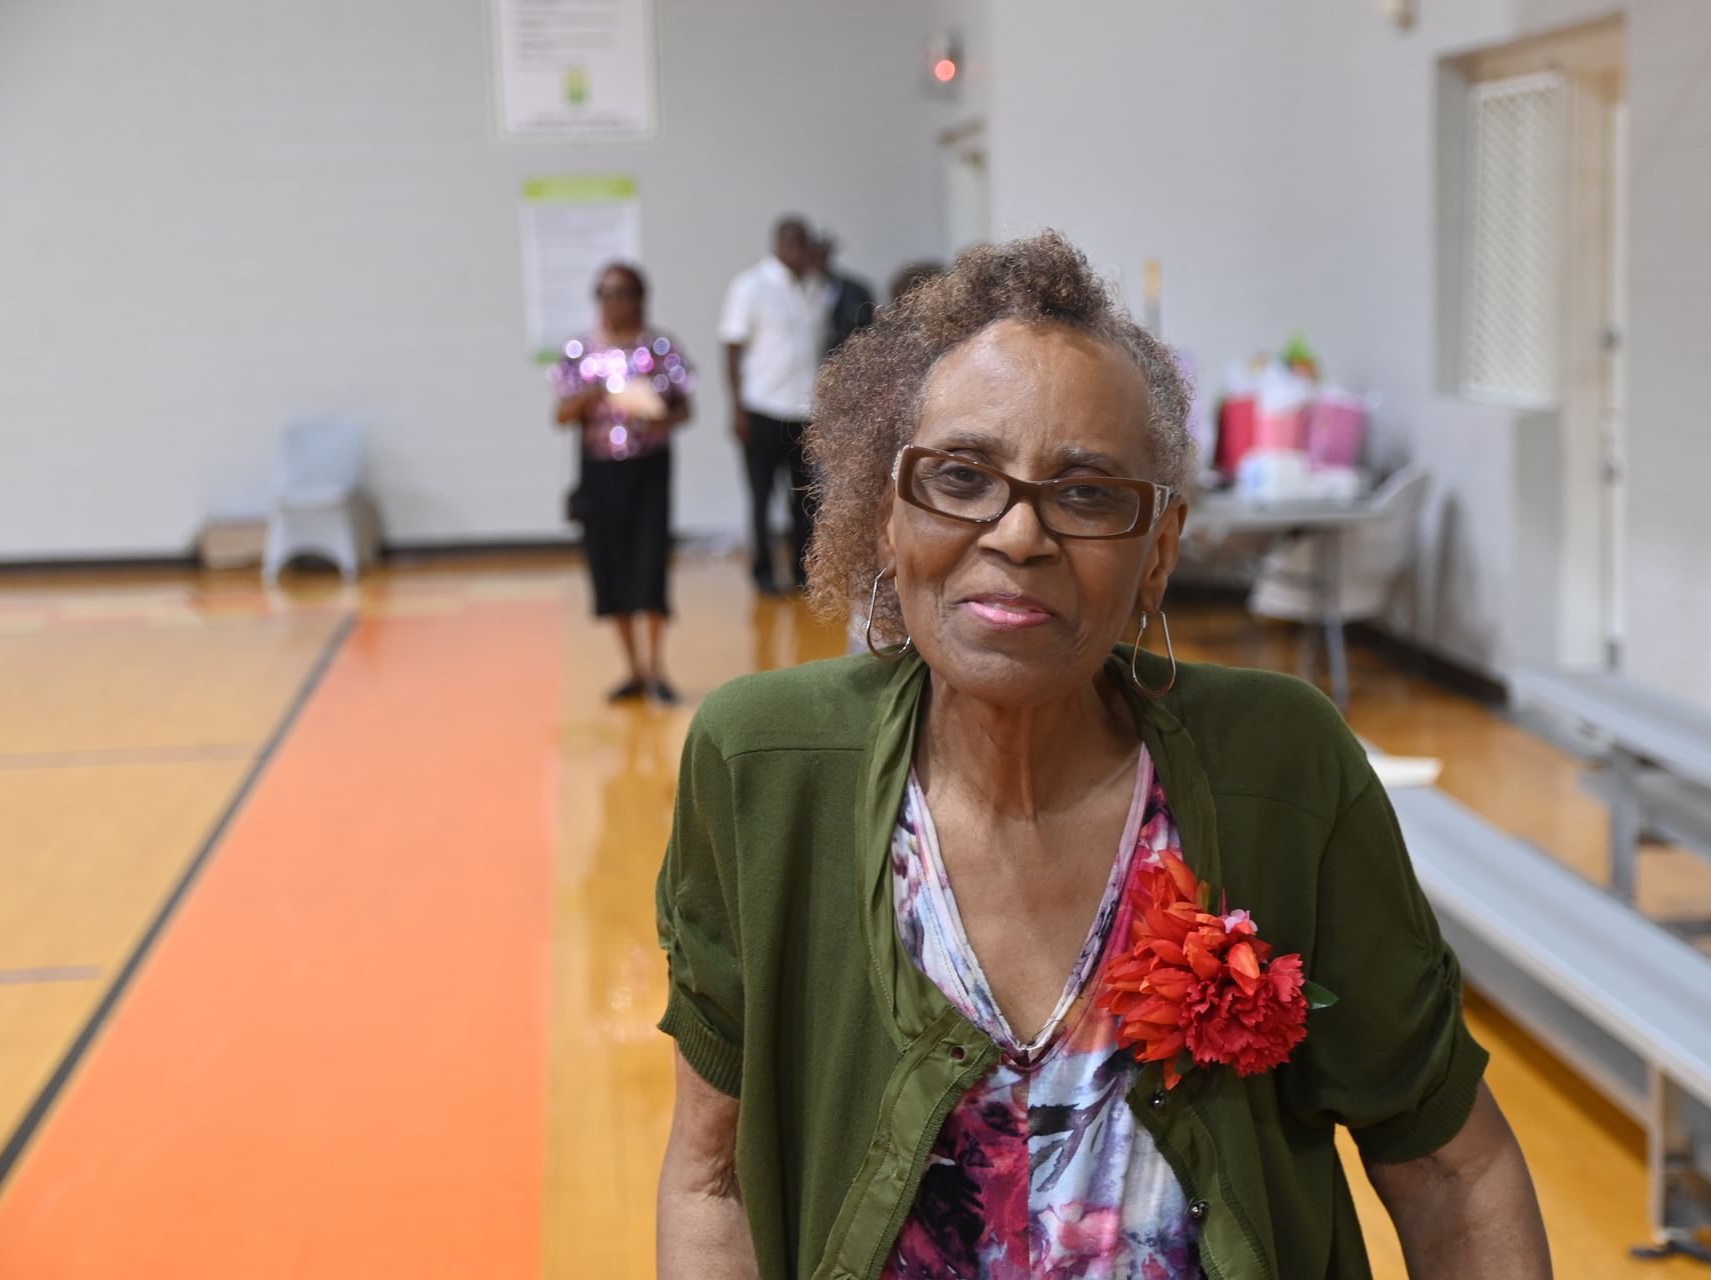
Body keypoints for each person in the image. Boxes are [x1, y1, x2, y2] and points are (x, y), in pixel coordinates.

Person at [655, 232, 1552, 1278]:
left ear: (1158, 553)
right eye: (961, 477)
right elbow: (711, 1179)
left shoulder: (1279, 767)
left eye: (1086, 494)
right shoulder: (765, 765)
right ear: (889, 517)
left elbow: (1452, 1171)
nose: (1018, 534)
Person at [552, 262, 692, 705]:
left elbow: (684, 408)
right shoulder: (580, 351)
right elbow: (560, 415)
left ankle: (656, 668)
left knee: (650, 561)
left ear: (640, 298)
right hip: (599, 471)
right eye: (606, 294)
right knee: (609, 564)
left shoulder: (659, 348)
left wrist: (655, 414)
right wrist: (593, 394)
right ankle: (632, 668)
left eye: (623, 293)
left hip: (649, 467)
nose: (614, 302)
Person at [720, 216, 823, 595]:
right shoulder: (751, 286)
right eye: (790, 241)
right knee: (762, 497)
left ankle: (802, 571)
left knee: (804, 499)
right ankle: (763, 571)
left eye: (803, 241)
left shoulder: (815, 285)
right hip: (762, 409)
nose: (797, 248)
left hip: (805, 412)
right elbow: (731, 348)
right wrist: (737, 407)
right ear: (777, 243)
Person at [810, 228, 876, 357]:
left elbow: (869, 329)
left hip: (850, 360)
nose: (819, 260)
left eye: (822, 255)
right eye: (814, 256)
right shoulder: (798, 294)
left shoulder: (856, 292)